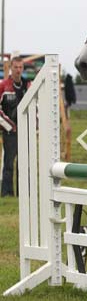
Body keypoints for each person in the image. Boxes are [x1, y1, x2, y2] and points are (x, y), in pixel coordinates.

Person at [0, 57, 30, 197]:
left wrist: (33, 125)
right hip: (10, 132)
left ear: (23, 69)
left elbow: (34, 107)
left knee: (23, 165)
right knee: (9, 164)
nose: (18, 70)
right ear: (11, 68)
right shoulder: (3, 86)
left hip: (25, 131)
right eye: (16, 67)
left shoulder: (28, 86)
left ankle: (23, 193)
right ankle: (7, 193)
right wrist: (10, 126)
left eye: (20, 67)